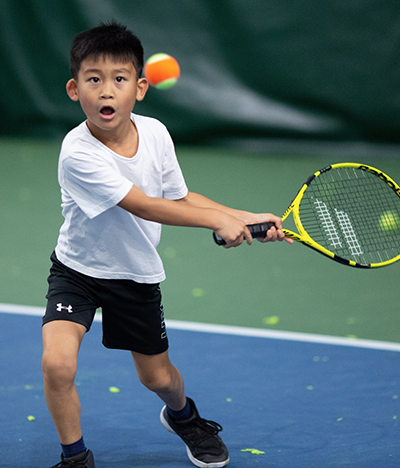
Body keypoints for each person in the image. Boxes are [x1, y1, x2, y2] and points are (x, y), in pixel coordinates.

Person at [41, 21, 291, 468]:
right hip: (76, 271)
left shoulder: (155, 133)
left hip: (134, 276)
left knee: (159, 379)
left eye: (119, 79)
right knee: (57, 364)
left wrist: (242, 216)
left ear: (140, 88)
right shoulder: (77, 152)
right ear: (74, 90)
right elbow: (144, 205)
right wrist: (217, 222)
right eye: (93, 79)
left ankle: (183, 416)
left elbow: (177, 196)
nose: (106, 91)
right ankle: (75, 458)